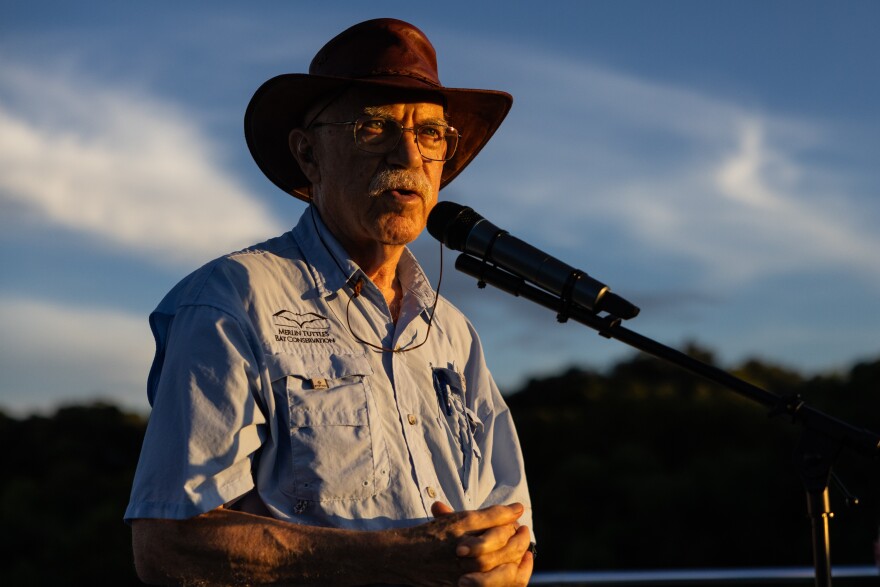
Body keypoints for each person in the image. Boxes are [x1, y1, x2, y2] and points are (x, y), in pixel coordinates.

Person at [125, 18, 534, 586]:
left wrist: (502, 565)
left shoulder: (453, 332)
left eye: (432, 134)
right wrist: (395, 560)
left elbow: (513, 534)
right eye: (374, 127)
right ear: (308, 153)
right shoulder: (232, 298)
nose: (408, 153)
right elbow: (168, 548)